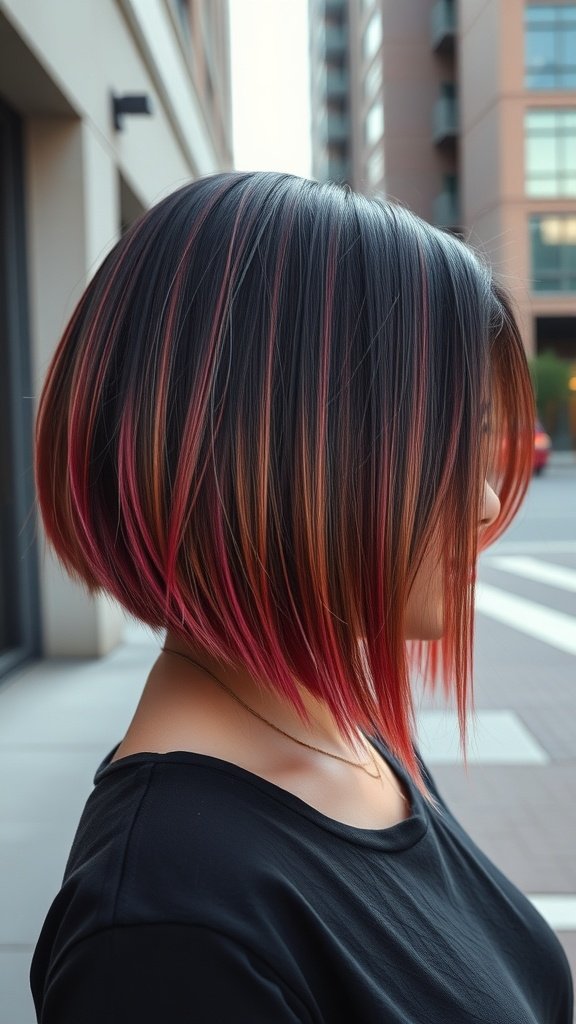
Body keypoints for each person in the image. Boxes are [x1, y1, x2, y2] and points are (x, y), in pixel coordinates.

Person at [30, 171, 573, 1023]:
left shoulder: (342, 729)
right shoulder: (170, 932)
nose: (482, 503)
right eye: (445, 449)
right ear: (285, 455)